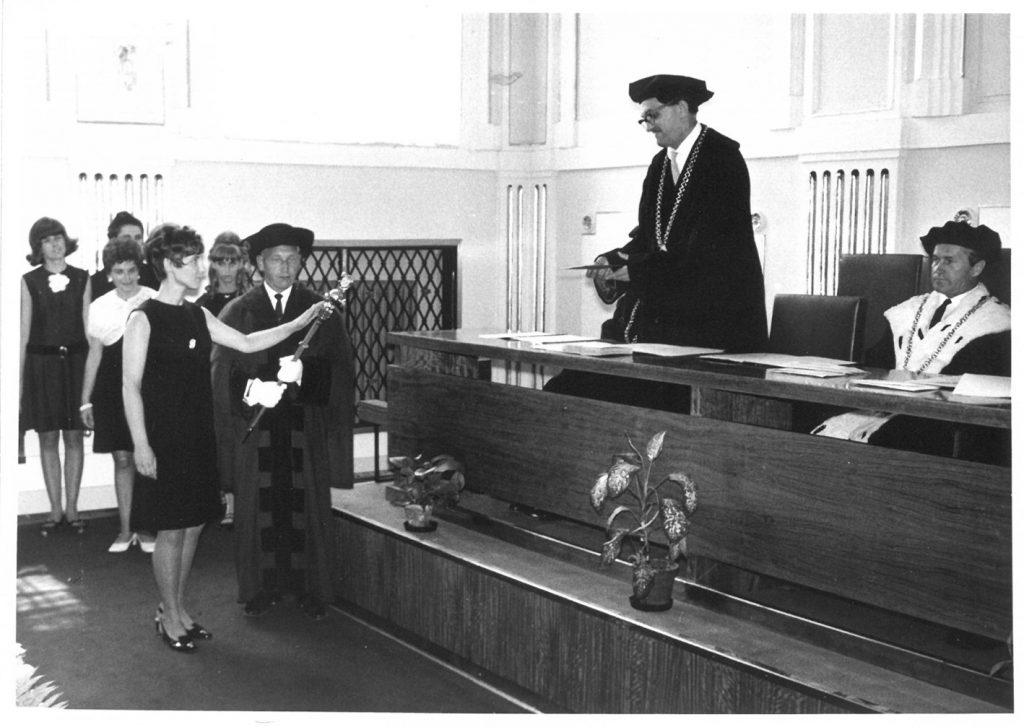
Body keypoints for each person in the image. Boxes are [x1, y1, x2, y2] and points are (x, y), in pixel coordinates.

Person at [122, 225, 321, 653]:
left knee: (193, 525)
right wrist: (141, 444)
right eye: (193, 260)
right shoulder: (143, 317)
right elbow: (130, 386)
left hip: (198, 435)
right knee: (171, 530)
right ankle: (168, 614)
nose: (201, 267)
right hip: (163, 438)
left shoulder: (197, 314)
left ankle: (178, 609)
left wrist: (299, 322)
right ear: (169, 265)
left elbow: (246, 343)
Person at [545, 74, 768, 411]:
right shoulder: (660, 164)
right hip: (670, 317)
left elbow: (709, 250)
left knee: (623, 392)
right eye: (644, 118)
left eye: (653, 115)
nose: (648, 126)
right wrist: (614, 260)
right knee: (568, 386)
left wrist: (637, 270)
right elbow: (648, 237)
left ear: (681, 108)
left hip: (713, 321)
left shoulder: (722, 158)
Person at [211, 222, 355, 620]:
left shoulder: (321, 312)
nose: (285, 267)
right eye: (276, 259)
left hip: (303, 426)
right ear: (260, 263)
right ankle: (261, 588)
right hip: (257, 429)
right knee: (257, 506)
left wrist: (306, 374)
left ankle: (311, 589)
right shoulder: (239, 311)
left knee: (306, 503)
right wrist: (251, 389)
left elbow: (341, 371)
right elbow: (221, 372)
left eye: (293, 259)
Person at [812, 220, 1010, 463]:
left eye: (949, 261)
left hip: (941, 418)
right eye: (935, 260)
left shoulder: (996, 322)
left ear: (976, 268)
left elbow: (972, 388)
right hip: (886, 406)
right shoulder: (908, 310)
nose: (938, 268)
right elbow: (878, 363)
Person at [80, 239, 158, 553]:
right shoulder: (98, 306)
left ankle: (148, 529)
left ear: (139, 270)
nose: (126, 277)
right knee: (123, 459)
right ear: (109, 273)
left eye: (131, 270)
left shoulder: (154, 299)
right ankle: (126, 529)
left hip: (148, 386)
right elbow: (94, 355)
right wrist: (85, 399)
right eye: (119, 271)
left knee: (147, 457)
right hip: (111, 388)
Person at [20, 217, 92, 536]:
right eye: (47, 240)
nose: (55, 244)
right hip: (42, 367)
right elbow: (24, 332)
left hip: (76, 365)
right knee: (48, 438)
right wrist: (19, 382)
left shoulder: (82, 278)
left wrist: (91, 381)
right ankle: (54, 509)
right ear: (38, 247)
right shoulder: (29, 281)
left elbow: (89, 330)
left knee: (74, 437)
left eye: (58, 237)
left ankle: (73, 508)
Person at [195, 231, 253, 528]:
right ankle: (226, 500)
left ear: (241, 264)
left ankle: (246, 499)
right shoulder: (204, 302)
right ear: (213, 265)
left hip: (246, 377)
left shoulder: (251, 301)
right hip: (215, 379)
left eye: (233, 262)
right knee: (220, 439)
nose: (227, 269)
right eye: (221, 262)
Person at [90, 211, 159, 298]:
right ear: (112, 241)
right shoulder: (95, 283)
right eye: (127, 238)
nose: (133, 243)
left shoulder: (155, 276)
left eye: (138, 238)